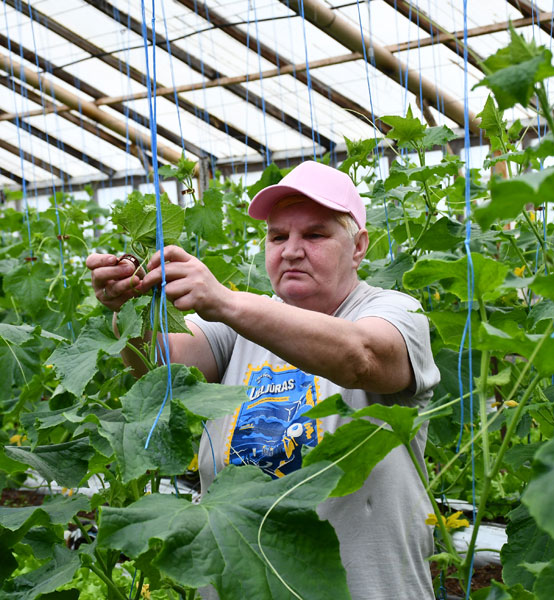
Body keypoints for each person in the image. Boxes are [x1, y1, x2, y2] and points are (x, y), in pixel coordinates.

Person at [86, 160, 439, 600]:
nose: (291, 250)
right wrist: (124, 305)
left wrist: (226, 301)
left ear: (358, 247)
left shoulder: (395, 313)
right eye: (278, 237)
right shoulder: (240, 329)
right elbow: (162, 361)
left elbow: (362, 356)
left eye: (315, 234)